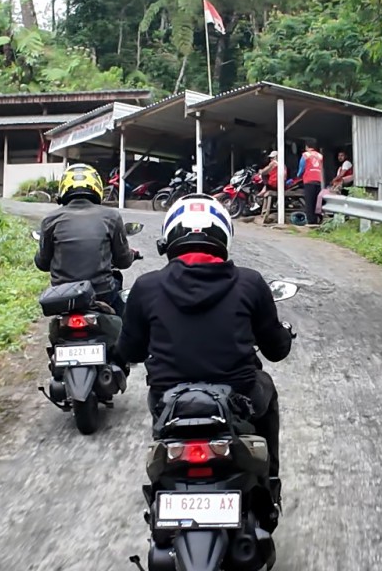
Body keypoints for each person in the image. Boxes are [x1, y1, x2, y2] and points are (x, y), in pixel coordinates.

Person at [117, 194, 295, 477]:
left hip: (169, 399)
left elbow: (129, 352)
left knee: (160, 409)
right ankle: (270, 478)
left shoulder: (146, 287)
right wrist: (283, 334)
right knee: (267, 387)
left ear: (169, 237)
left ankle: (165, 468)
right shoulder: (250, 282)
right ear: (224, 235)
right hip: (240, 397)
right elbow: (276, 350)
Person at [34, 163, 138, 320]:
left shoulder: (50, 219)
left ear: (63, 187)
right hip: (102, 293)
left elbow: (42, 263)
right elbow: (123, 261)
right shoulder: (111, 216)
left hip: (62, 296)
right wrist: (132, 255)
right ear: (97, 187)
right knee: (122, 303)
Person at [297, 138, 325, 225]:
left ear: (306, 146)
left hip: (309, 180)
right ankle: (317, 219)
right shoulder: (320, 156)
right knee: (316, 201)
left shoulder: (306, 155)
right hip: (318, 180)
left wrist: (298, 175)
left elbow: (301, 168)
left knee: (309, 201)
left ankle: (311, 221)